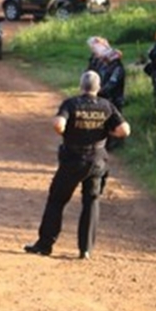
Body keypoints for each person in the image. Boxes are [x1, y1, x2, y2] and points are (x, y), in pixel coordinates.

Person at [24, 70, 130, 260]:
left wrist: (67, 131)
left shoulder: (71, 104)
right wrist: (107, 132)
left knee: (57, 200)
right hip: (97, 160)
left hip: (73, 159)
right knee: (91, 202)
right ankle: (85, 249)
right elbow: (124, 130)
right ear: (98, 87)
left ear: (81, 86)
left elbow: (58, 124)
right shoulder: (107, 106)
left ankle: (45, 244)